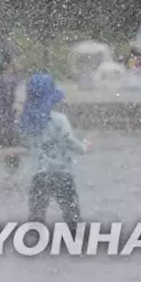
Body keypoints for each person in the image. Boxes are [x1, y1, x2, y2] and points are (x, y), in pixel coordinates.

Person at [20, 74, 88, 226]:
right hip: (62, 174)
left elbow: (27, 143)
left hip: (39, 175)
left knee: (36, 219)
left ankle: (33, 245)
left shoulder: (27, 122)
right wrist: (84, 147)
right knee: (73, 218)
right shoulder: (59, 119)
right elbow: (69, 141)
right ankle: (77, 245)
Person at [0, 51, 22, 174]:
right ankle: (13, 173)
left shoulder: (2, 79)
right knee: (14, 145)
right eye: (17, 60)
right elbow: (15, 99)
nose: (20, 63)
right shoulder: (10, 80)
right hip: (10, 116)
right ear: (8, 64)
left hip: (2, 116)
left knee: (7, 146)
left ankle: (9, 172)